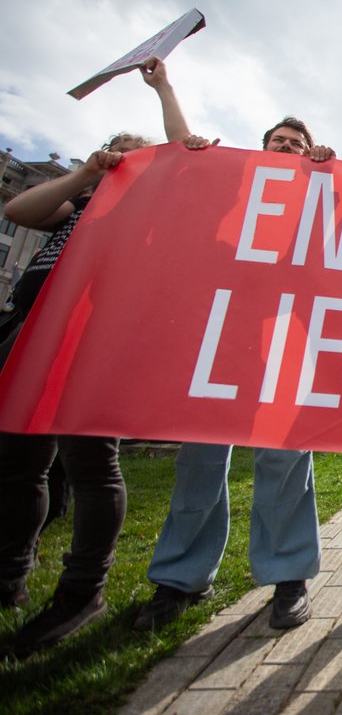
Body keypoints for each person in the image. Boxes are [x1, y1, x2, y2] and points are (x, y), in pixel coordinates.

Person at [134, 115, 337, 632]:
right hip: (222, 337)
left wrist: (330, 173)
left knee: (285, 458)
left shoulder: (321, 199)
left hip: (286, 338)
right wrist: (196, 152)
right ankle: (180, 578)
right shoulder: (236, 191)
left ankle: (289, 576)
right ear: (261, 148)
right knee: (199, 459)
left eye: (297, 144)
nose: (287, 148)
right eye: (278, 142)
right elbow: (185, 180)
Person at [0, 137, 147, 655]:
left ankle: (84, 589)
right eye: (113, 146)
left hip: (91, 333)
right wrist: (87, 174)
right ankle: (10, 574)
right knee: (20, 458)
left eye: (131, 150)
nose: (116, 154)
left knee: (90, 461)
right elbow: (18, 209)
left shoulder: (150, 207)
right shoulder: (77, 203)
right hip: (32, 327)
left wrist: (164, 91)